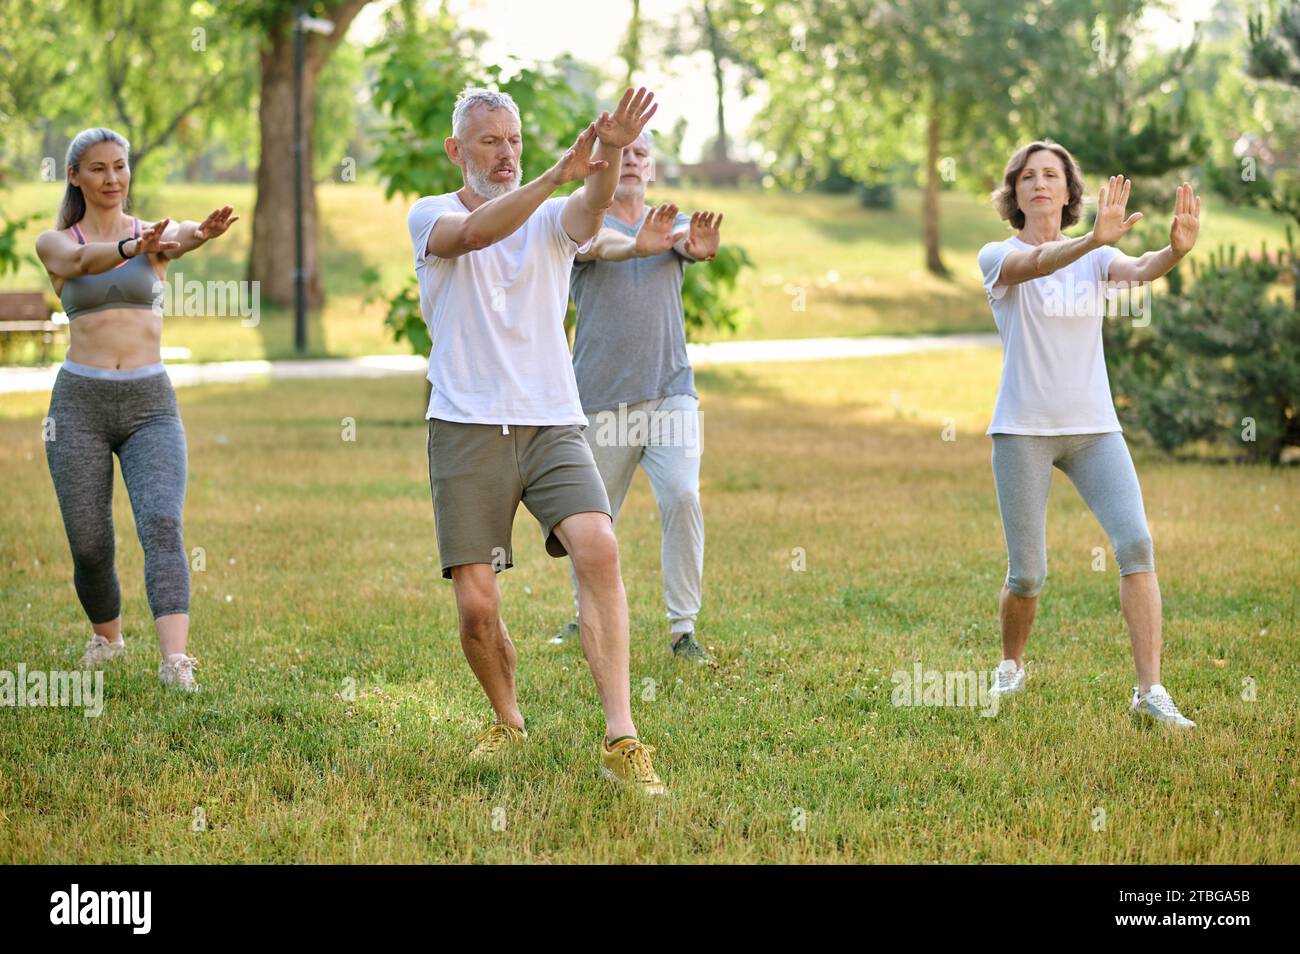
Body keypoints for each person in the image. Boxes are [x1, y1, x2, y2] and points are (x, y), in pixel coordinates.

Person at [406, 87, 668, 792]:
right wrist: (555, 173)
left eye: (514, 140)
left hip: (551, 417)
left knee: (599, 545)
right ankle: (508, 719)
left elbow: (593, 205)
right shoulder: (429, 214)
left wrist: (609, 150)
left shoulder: (554, 219)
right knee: (477, 604)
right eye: (490, 141)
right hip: (465, 424)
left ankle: (622, 736)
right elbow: (475, 235)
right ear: (457, 150)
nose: (506, 152)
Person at [977, 139, 1201, 728]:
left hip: (1095, 429)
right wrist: (1092, 242)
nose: (1039, 183)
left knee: (1137, 544)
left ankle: (1149, 692)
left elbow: (1140, 269)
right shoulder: (995, 254)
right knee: (1028, 574)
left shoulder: (1098, 258)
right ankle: (1011, 666)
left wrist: (1173, 253)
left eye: (1051, 175)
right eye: (1028, 176)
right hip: (1022, 430)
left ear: (1069, 192)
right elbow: (1037, 264)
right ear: (1015, 193)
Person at [34, 127, 240, 692]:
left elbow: (183, 236)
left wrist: (204, 231)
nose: (112, 179)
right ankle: (108, 638)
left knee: (163, 522)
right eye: (98, 168)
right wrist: (133, 247)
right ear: (75, 175)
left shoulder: (154, 233)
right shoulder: (56, 241)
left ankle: (175, 661)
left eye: (120, 166)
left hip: (151, 403)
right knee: (90, 540)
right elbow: (79, 262)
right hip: (79, 404)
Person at [550, 130, 722, 666]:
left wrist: (695, 248)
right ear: (605, 165)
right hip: (602, 398)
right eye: (623, 154)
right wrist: (636, 247)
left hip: (671, 392)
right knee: (595, 520)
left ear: (652, 170)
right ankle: (584, 614)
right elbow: (599, 247)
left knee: (684, 496)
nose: (631, 163)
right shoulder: (581, 223)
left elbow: (684, 244)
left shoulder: (671, 225)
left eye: (641, 156)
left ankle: (683, 629)